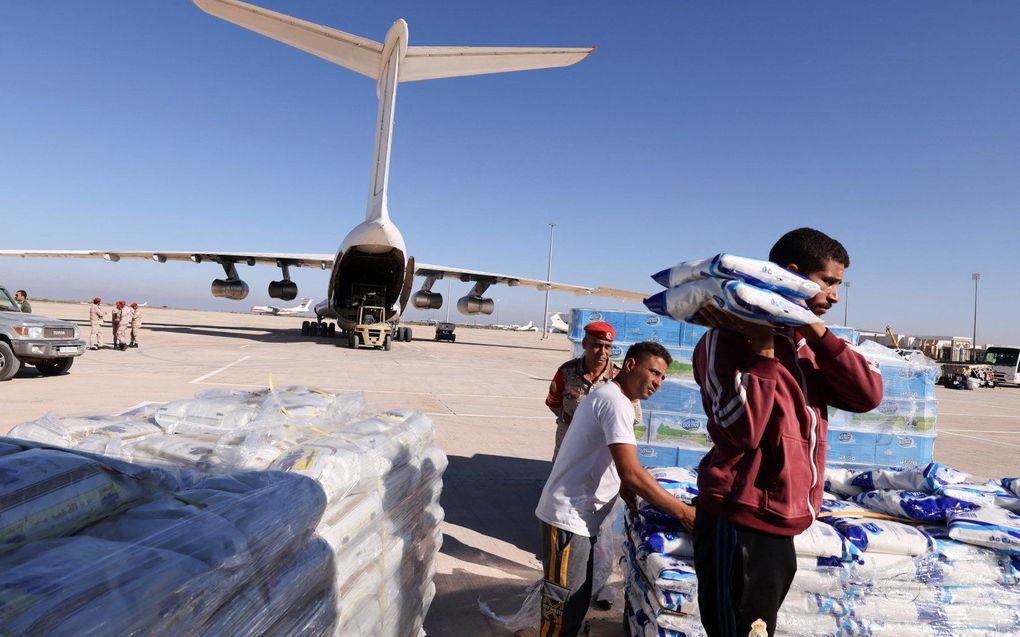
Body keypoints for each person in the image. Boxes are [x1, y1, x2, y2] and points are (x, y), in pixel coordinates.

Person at [691, 227, 883, 637]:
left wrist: (814, 331)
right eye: (829, 281)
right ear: (792, 275)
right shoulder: (725, 340)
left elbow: (868, 395)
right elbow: (740, 430)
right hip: (738, 521)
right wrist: (762, 350)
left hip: (780, 524)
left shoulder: (807, 347)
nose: (834, 296)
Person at [535, 342, 696, 637]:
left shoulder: (615, 398)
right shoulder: (615, 402)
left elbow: (609, 458)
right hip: (568, 518)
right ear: (632, 365)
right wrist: (684, 512)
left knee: (575, 604)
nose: (658, 383)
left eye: (662, 377)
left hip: (580, 518)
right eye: (654, 372)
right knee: (561, 613)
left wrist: (623, 488)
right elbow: (632, 472)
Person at [545, 321, 621, 461]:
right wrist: (573, 421)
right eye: (597, 345)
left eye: (607, 347)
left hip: (601, 451)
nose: (603, 352)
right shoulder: (566, 372)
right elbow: (553, 403)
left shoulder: (620, 377)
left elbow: (634, 416)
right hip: (568, 446)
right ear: (585, 343)